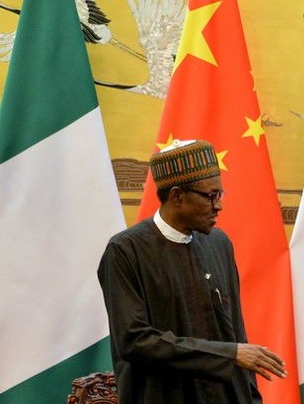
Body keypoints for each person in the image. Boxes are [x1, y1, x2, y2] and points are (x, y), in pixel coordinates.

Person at [98, 139, 286, 404]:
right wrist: (228, 354)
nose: (218, 205)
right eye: (210, 196)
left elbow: (234, 331)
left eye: (220, 195)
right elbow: (135, 341)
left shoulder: (218, 243)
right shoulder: (125, 251)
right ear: (177, 196)